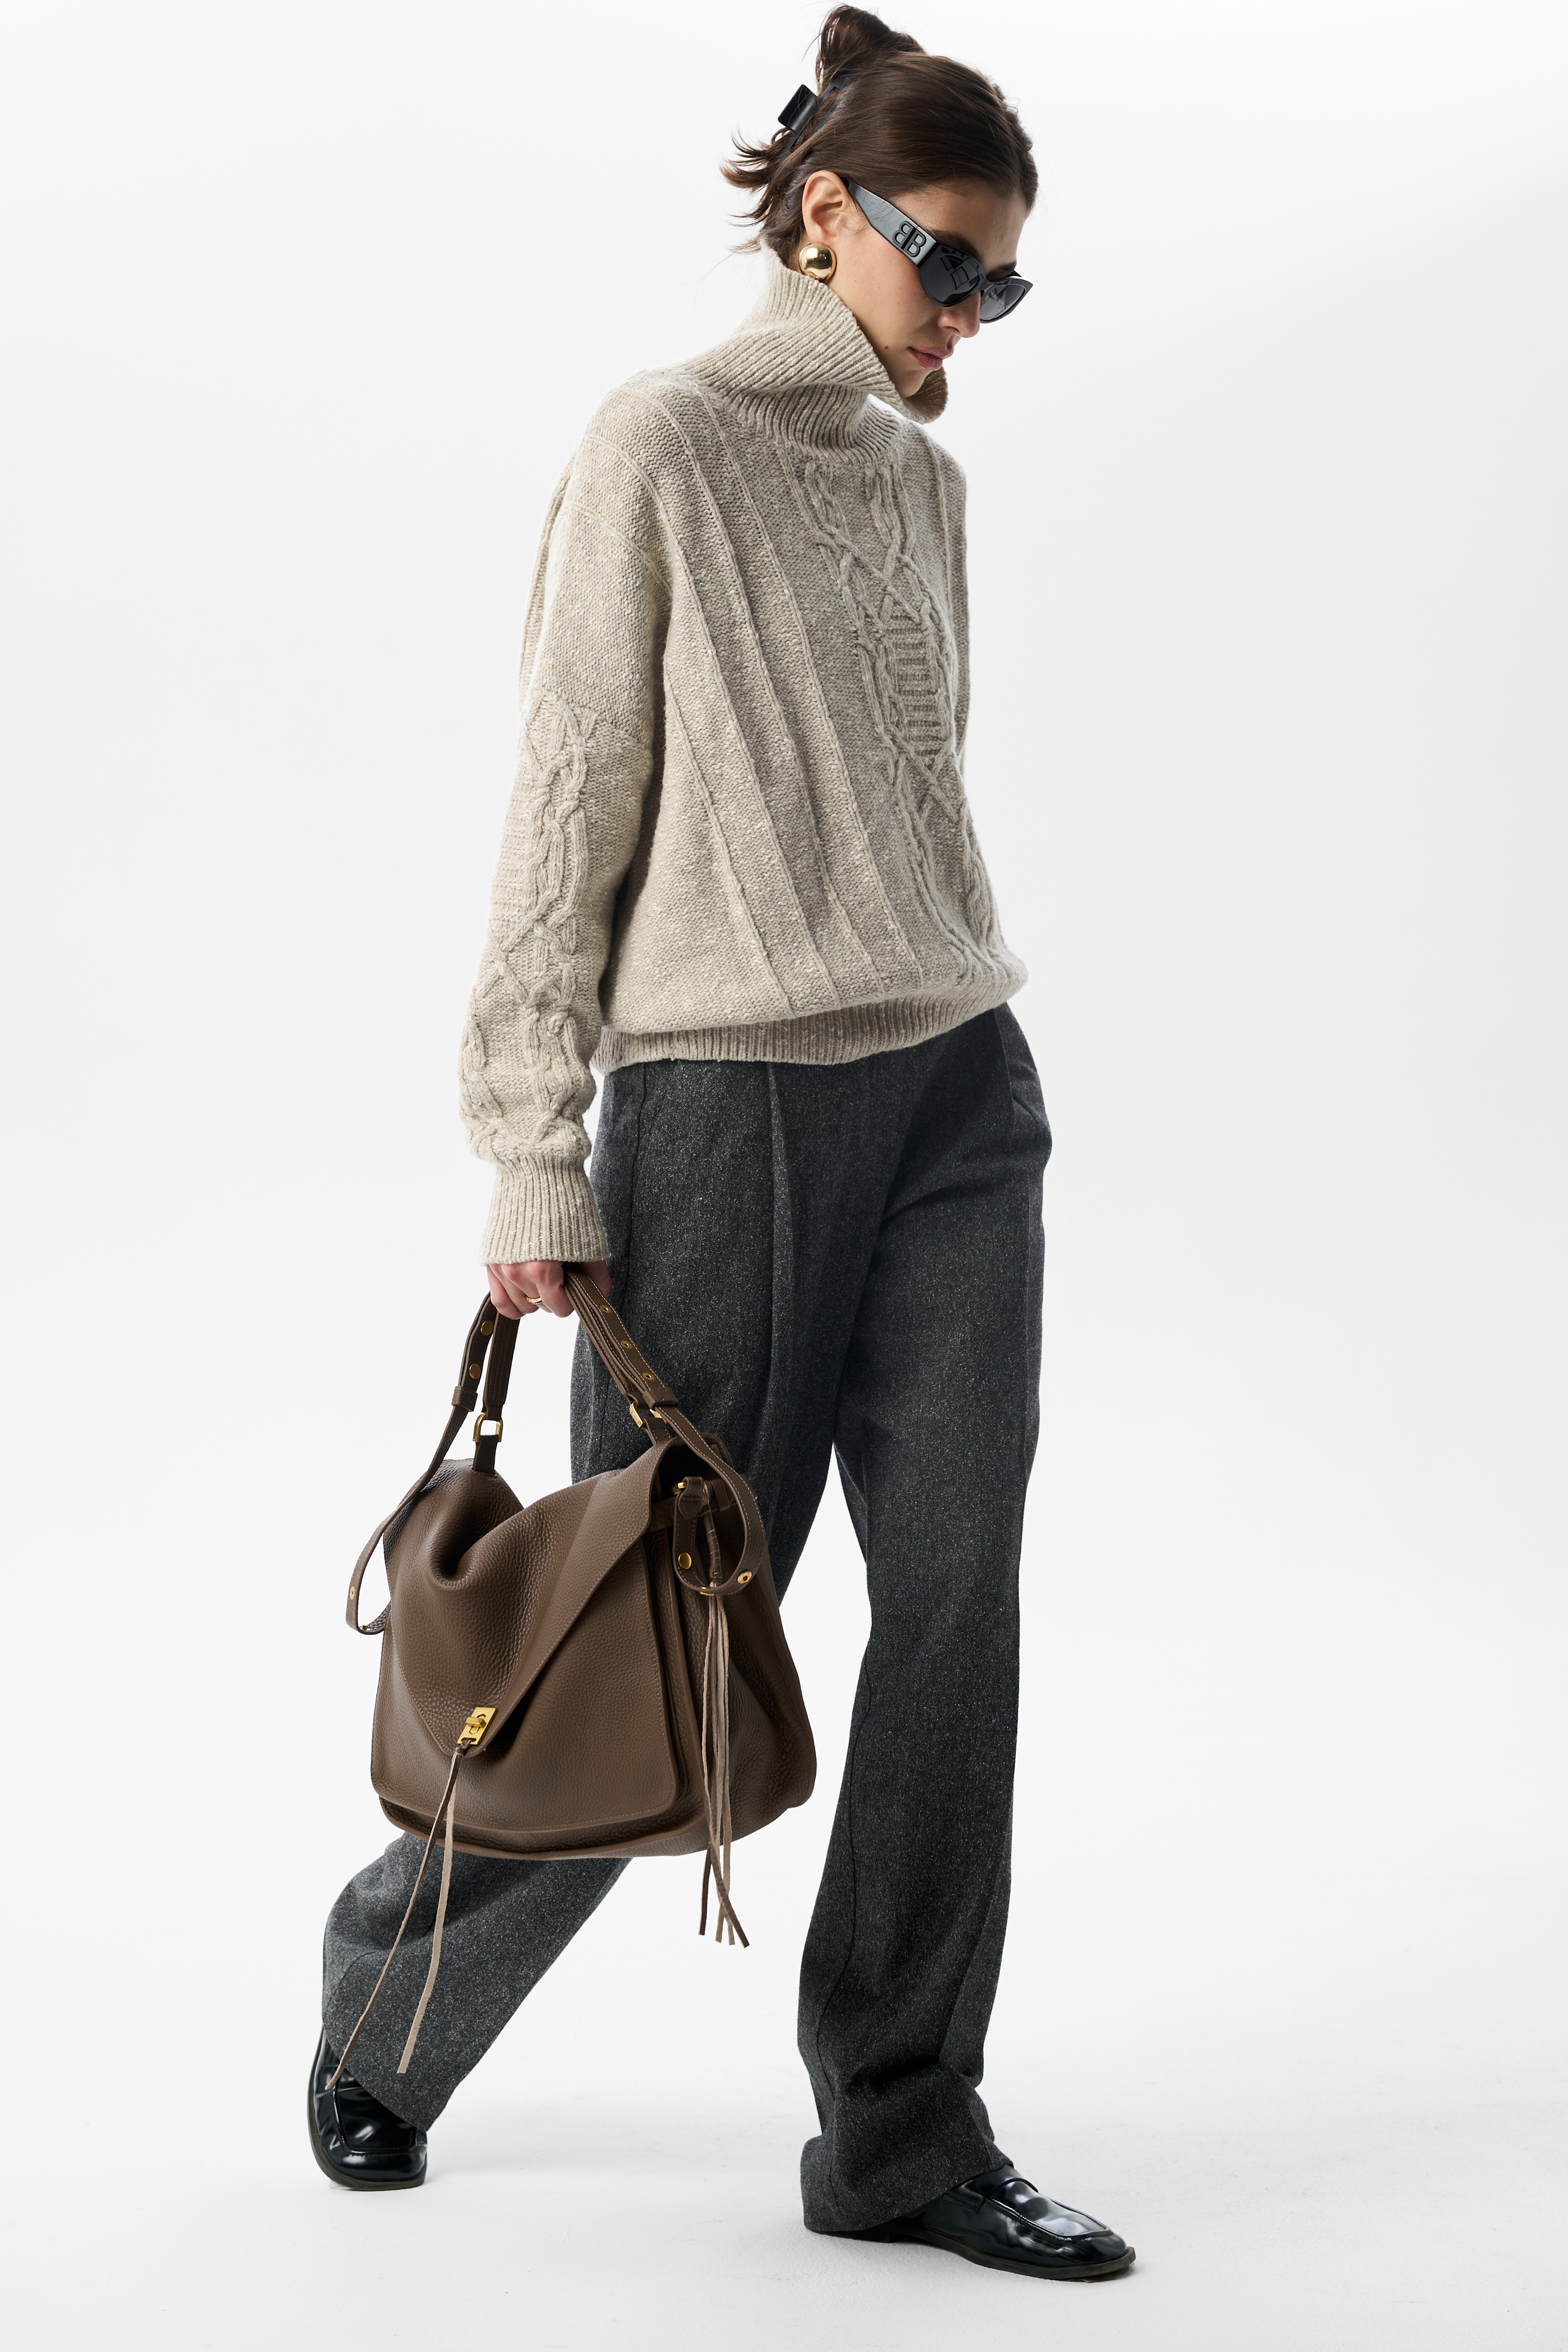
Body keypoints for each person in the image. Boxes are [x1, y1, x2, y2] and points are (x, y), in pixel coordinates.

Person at [308, 6, 1133, 2283]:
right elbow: (571, 790)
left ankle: (900, 2123)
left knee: (953, 1609)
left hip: (957, 1088)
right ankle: (389, 2010)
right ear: (818, 214)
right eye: (944, 264)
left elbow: (907, 801)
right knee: (648, 1621)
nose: (969, 316)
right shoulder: (657, 443)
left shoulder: (925, 489)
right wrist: (529, 1142)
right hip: (724, 1107)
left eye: (1001, 284)